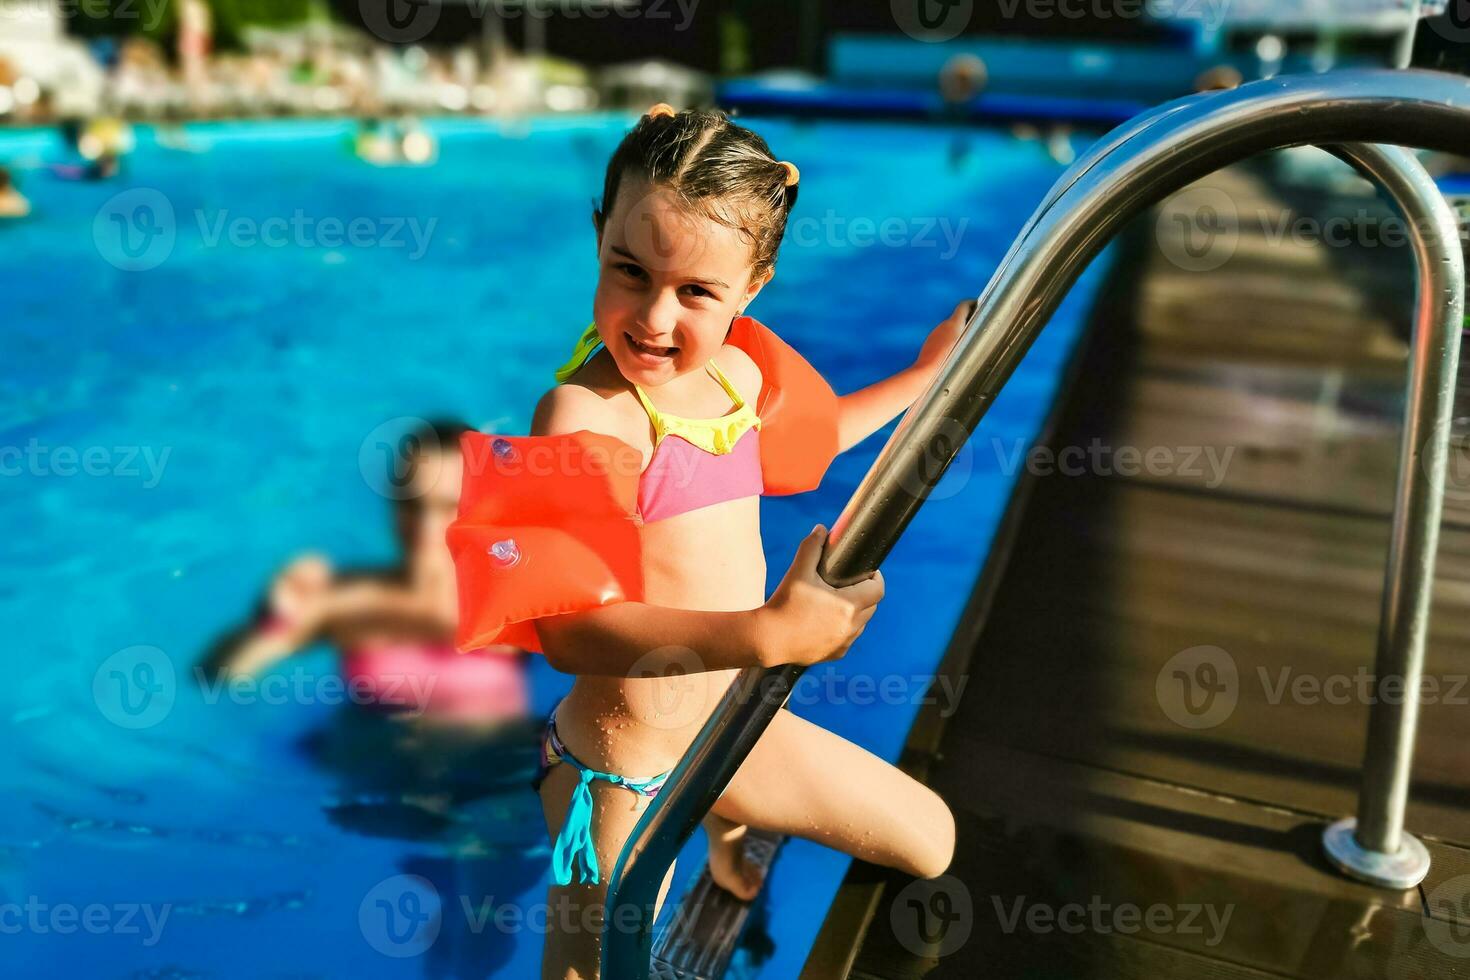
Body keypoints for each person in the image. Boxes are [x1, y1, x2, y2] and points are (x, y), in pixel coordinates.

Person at [447, 103, 968, 978]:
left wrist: (922, 379)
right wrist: (769, 635)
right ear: (598, 238)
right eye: (629, 272)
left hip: (730, 727)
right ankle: (707, 824)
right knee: (590, 972)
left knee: (933, 841)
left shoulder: (739, 370)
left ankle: (728, 831)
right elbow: (569, 630)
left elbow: (814, 436)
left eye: (696, 292)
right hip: (619, 771)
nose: (654, 318)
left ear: (752, 287)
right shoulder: (586, 416)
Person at [201, 419, 529, 726]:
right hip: (365, 777)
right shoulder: (349, 594)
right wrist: (274, 615)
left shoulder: (516, 600)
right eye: (412, 504)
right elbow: (223, 677)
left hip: (493, 775)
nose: (425, 526)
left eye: (447, 506)